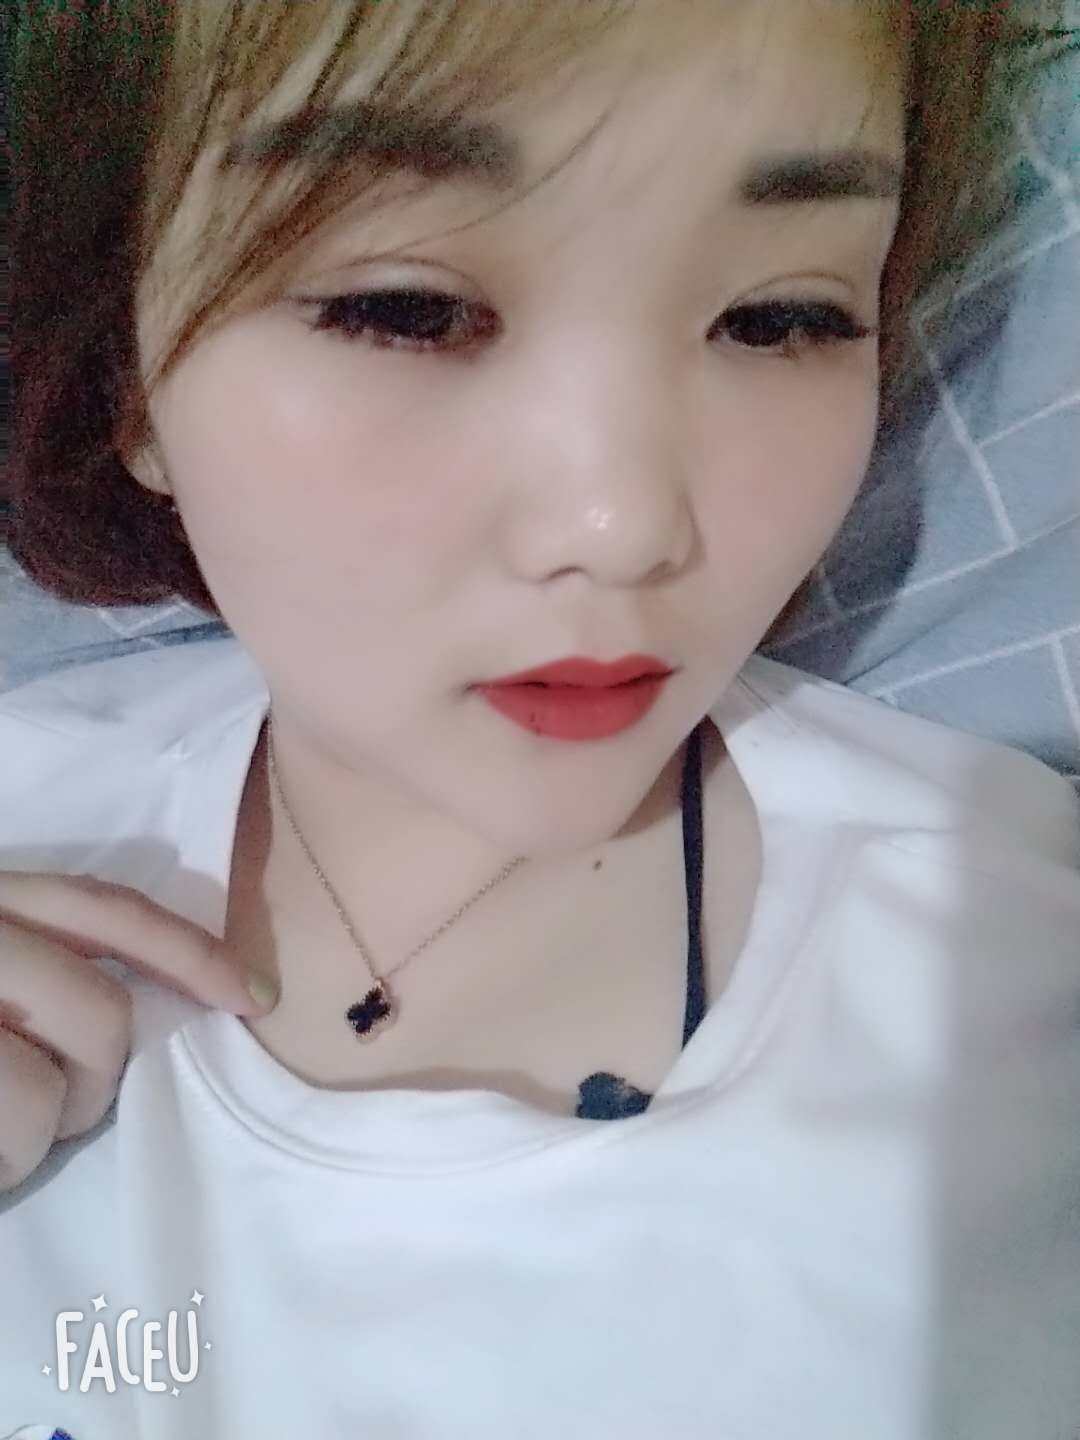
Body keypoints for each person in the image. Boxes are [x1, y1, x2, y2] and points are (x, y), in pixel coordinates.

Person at [3, 1, 1078, 1435]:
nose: (624, 526)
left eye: (781, 317)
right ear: (126, 374)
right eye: (405, 308)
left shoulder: (1016, 967)